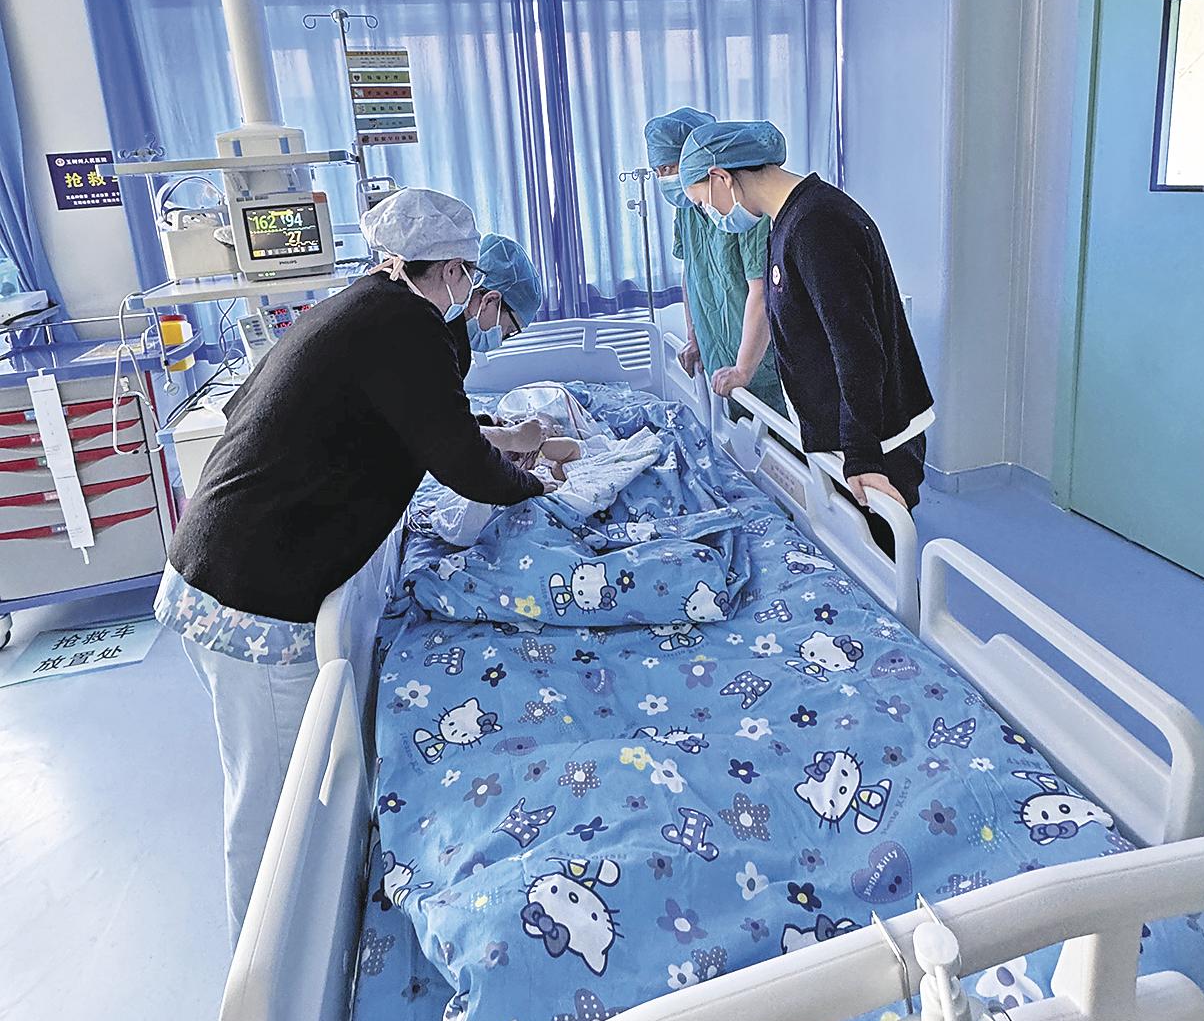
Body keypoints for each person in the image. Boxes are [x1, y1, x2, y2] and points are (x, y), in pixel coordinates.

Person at [155, 188, 546, 945]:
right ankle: (265, 968)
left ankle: (281, 947)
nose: (476, 307)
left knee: (273, 788)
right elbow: (463, 463)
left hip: (216, 563)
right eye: (472, 282)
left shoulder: (363, 305)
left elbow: (423, 423)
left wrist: (505, 439)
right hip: (250, 591)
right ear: (457, 273)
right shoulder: (408, 327)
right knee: (272, 806)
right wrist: (535, 486)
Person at [679, 120, 933, 554]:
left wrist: (862, 455)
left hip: (876, 437)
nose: (711, 216)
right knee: (852, 555)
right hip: (844, 430)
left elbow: (857, 346)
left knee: (881, 561)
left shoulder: (818, 224)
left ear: (721, 177)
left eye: (703, 203)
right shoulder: (786, 221)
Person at [643, 106, 785, 414]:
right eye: (657, 171)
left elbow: (762, 291)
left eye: (668, 167)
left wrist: (744, 367)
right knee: (734, 433)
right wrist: (694, 336)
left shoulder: (743, 210)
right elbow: (691, 273)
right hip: (715, 346)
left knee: (772, 435)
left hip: (757, 356)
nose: (664, 179)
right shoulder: (686, 209)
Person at [462, 233, 543, 355]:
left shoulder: (454, 331)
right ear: (490, 300)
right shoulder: (437, 329)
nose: (500, 339)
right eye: (509, 330)